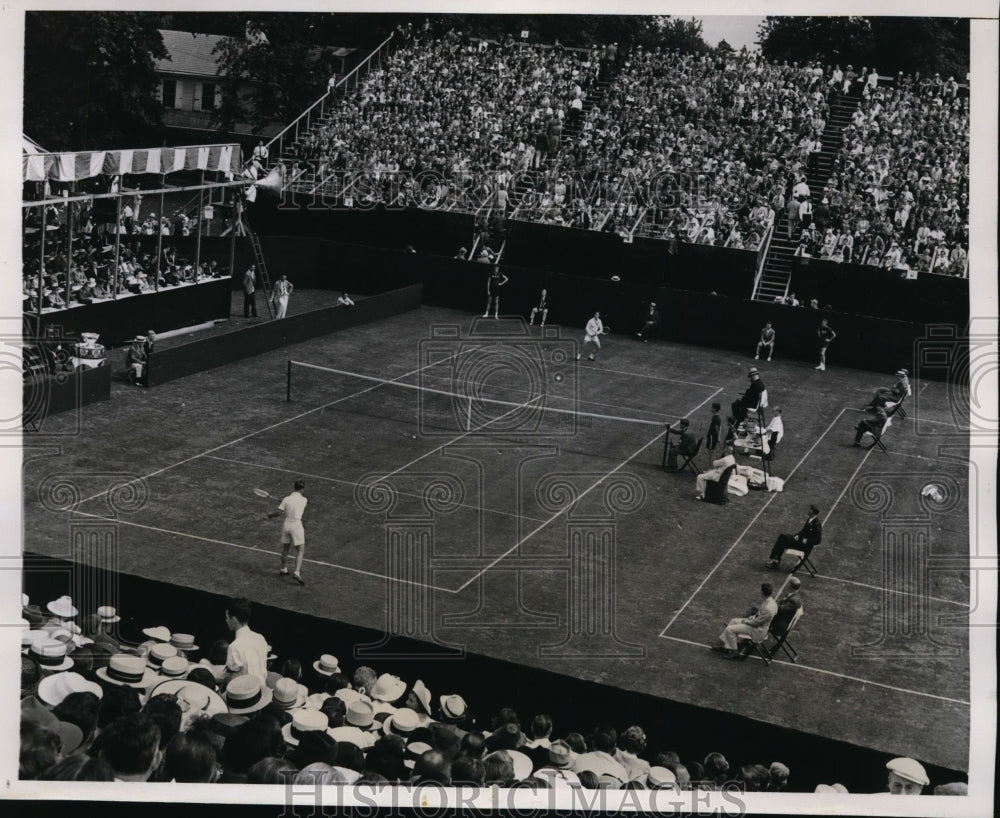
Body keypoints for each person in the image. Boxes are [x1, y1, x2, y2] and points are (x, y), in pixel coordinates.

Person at [711, 583, 777, 659]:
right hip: (757, 625)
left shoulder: (768, 608)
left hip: (758, 630)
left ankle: (734, 652)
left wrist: (747, 621)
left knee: (729, 629)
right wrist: (751, 618)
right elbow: (759, 615)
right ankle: (726, 645)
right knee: (733, 621)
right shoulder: (770, 602)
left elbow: (756, 623)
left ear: (762, 592)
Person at [269, 479, 308, 585]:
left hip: (286, 525)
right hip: (296, 525)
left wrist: (271, 515)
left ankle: (283, 569)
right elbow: (296, 506)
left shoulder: (286, 499)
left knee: (285, 548)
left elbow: (279, 513)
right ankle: (296, 572)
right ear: (302, 489)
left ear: (294, 487)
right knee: (300, 550)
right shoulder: (304, 500)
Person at [224, 597, 269, 684]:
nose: (226, 621)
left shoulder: (234, 647)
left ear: (234, 620)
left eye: (227, 618)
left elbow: (232, 681)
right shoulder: (260, 638)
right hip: (262, 690)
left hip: (245, 693)